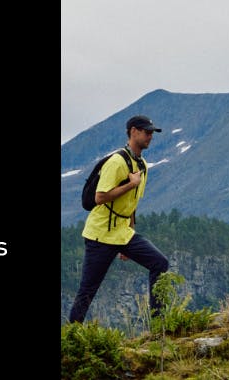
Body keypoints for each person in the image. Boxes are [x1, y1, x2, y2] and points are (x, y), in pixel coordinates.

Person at [69, 115, 170, 323]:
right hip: (100, 236)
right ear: (133, 132)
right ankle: (71, 340)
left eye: (152, 132)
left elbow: (131, 204)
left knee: (160, 263)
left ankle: (160, 326)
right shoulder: (116, 162)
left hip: (122, 234)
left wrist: (129, 234)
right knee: (88, 291)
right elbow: (100, 196)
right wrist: (130, 184)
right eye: (147, 132)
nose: (150, 136)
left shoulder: (142, 165)